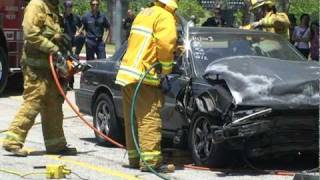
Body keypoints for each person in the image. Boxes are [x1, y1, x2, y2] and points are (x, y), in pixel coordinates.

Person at [2, 0, 76, 157]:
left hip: (50, 69)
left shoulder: (54, 9)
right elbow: (31, 33)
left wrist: (62, 44)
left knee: (53, 104)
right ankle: (12, 141)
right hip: (35, 68)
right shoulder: (36, 5)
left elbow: (53, 34)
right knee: (33, 102)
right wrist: (53, 48)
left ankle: (56, 144)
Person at [115, 0, 178, 172]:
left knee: (132, 120)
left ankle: (135, 158)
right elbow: (165, 45)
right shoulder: (164, 16)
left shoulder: (144, 13)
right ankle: (151, 162)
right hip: (144, 76)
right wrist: (166, 69)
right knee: (148, 118)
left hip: (128, 74)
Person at [63, 0, 85, 89]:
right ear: (65, 7)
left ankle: (71, 84)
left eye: (71, 7)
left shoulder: (75, 17)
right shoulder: (61, 17)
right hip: (63, 43)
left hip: (73, 44)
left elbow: (82, 25)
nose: (69, 8)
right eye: (68, 7)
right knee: (64, 64)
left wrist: (79, 32)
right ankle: (64, 83)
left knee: (72, 63)